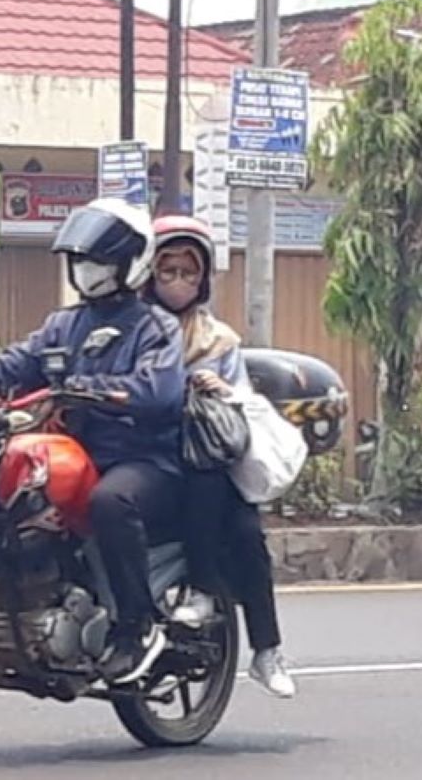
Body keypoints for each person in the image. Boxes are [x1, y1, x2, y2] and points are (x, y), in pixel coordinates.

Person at [0, 198, 186, 685]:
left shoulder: (156, 327)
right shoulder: (64, 324)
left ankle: (136, 627)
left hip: (142, 460)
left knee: (111, 500)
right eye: (81, 260)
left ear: (130, 263)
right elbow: (17, 362)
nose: (87, 270)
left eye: (99, 261)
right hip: (75, 454)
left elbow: (159, 391)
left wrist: (97, 390)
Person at [145, 215, 297, 700]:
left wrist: (223, 389)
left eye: (188, 273)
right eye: (167, 272)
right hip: (152, 460)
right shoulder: (134, 329)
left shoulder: (220, 340)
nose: (177, 283)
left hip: (209, 458)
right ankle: (199, 592)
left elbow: (244, 405)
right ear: (148, 273)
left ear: (203, 278)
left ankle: (266, 648)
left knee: (247, 533)